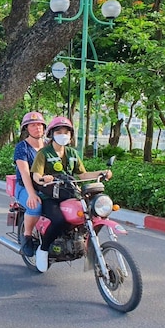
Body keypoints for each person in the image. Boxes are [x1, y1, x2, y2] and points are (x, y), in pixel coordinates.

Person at [30, 116, 112, 272]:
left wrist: (102, 172)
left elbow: (83, 175)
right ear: (52, 134)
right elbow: (36, 176)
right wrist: (44, 178)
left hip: (70, 193)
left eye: (66, 132)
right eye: (59, 131)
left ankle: (83, 244)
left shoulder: (72, 153)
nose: (63, 135)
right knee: (59, 220)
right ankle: (43, 249)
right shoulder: (44, 153)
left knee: (91, 215)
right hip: (50, 195)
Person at [13, 112, 47, 257]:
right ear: (27, 128)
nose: (37, 128)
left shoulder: (50, 146)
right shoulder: (22, 147)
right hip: (25, 187)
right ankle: (27, 236)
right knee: (35, 206)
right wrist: (32, 194)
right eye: (33, 125)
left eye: (39, 125)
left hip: (48, 187)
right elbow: (25, 173)